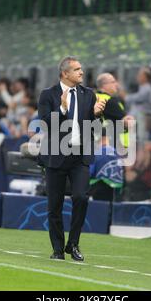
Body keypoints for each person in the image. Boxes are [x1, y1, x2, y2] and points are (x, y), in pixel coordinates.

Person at [38, 56, 106, 261]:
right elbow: (45, 123)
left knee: (81, 197)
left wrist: (95, 115)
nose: (81, 73)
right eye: (77, 69)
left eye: (81, 69)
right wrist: (62, 109)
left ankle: (73, 244)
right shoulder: (48, 95)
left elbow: (93, 127)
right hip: (56, 156)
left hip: (79, 156)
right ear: (64, 73)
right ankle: (58, 249)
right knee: (54, 205)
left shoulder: (88, 94)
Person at [95, 73, 134, 149]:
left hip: (101, 143)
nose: (116, 84)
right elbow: (127, 121)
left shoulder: (95, 97)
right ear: (104, 85)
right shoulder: (109, 101)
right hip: (116, 145)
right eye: (113, 82)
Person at [89, 128, 124, 202]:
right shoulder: (117, 153)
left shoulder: (97, 153)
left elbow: (90, 172)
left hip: (100, 190)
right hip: (116, 190)